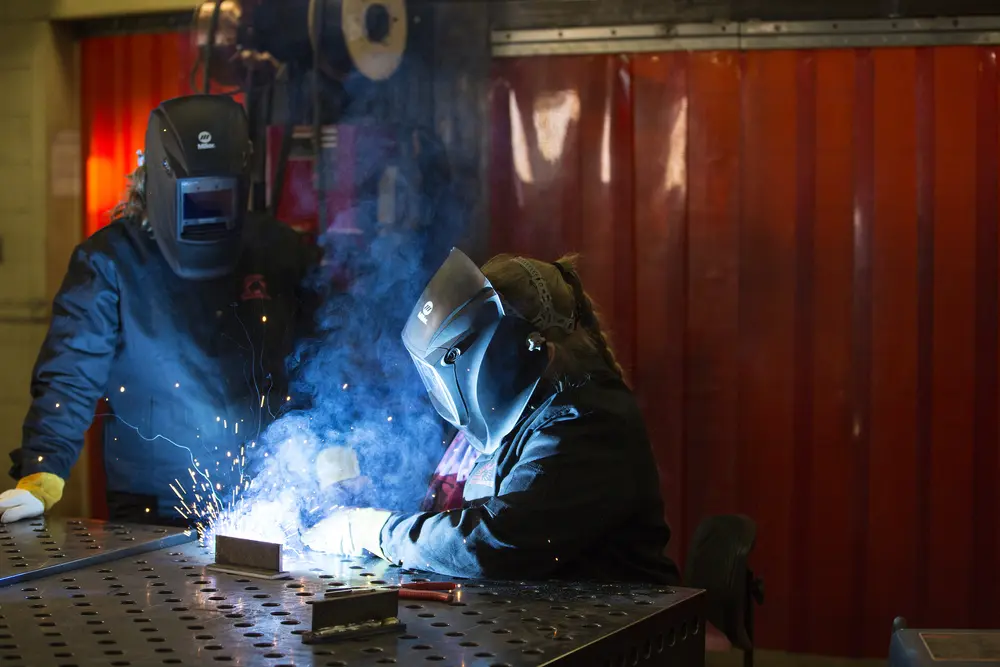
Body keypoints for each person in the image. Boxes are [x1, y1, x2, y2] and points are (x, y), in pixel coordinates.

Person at [0, 94, 314, 525]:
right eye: (197, 199)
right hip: (153, 501)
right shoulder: (110, 262)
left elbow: (317, 353)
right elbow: (70, 375)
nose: (207, 217)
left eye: (220, 197)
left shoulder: (277, 250)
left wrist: (329, 439)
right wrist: (42, 469)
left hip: (268, 490)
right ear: (162, 183)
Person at [302, 248, 680, 583]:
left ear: (509, 345)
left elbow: (497, 541)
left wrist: (374, 530)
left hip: (612, 636)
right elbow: (454, 502)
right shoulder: (509, 416)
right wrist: (376, 499)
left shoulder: (588, 422)